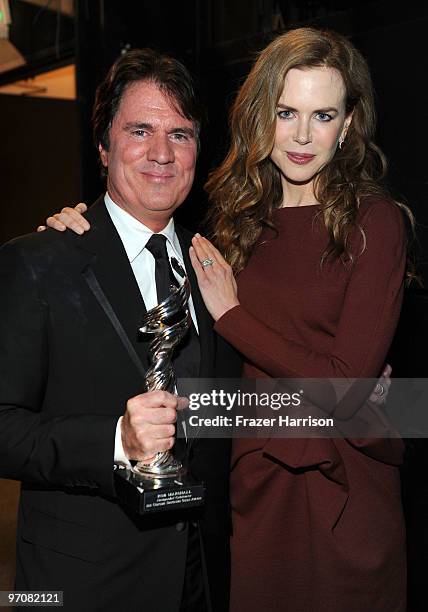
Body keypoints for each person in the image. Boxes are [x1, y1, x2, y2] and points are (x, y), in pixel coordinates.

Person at [42, 29, 403, 611]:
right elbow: (211, 377)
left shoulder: (375, 223)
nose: (304, 135)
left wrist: (234, 317)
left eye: (324, 114)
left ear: (349, 124)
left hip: (339, 491)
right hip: (248, 491)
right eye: (287, 112)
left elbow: (346, 389)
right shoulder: (233, 223)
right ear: (263, 113)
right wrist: (74, 231)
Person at [0, 49, 241, 612]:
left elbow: (231, 412)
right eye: (140, 130)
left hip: (200, 578)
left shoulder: (221, 268)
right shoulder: (40, 261)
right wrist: (115, 440)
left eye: (180, 135)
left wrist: (371, 403)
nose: (162, 153)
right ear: (105, 146)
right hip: (80, 585)